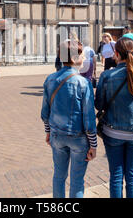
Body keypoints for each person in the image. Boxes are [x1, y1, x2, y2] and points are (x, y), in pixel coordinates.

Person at [95, 37, 133, 198]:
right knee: (132, 178)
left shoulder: (107, 76)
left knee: (116, 177)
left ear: (116, 53)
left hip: (113, 132)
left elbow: (99, 105)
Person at [41, 39, 97, 198]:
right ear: (74, 58)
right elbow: (89, 118)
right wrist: (93, 144)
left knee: (59, 176)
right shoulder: (83, 83)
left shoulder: (50, 79)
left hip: (57, 134)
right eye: (82, 55)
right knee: (77, 181)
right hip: (78, 138)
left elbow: (45, 111)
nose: (85, 58)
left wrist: (48, 132)